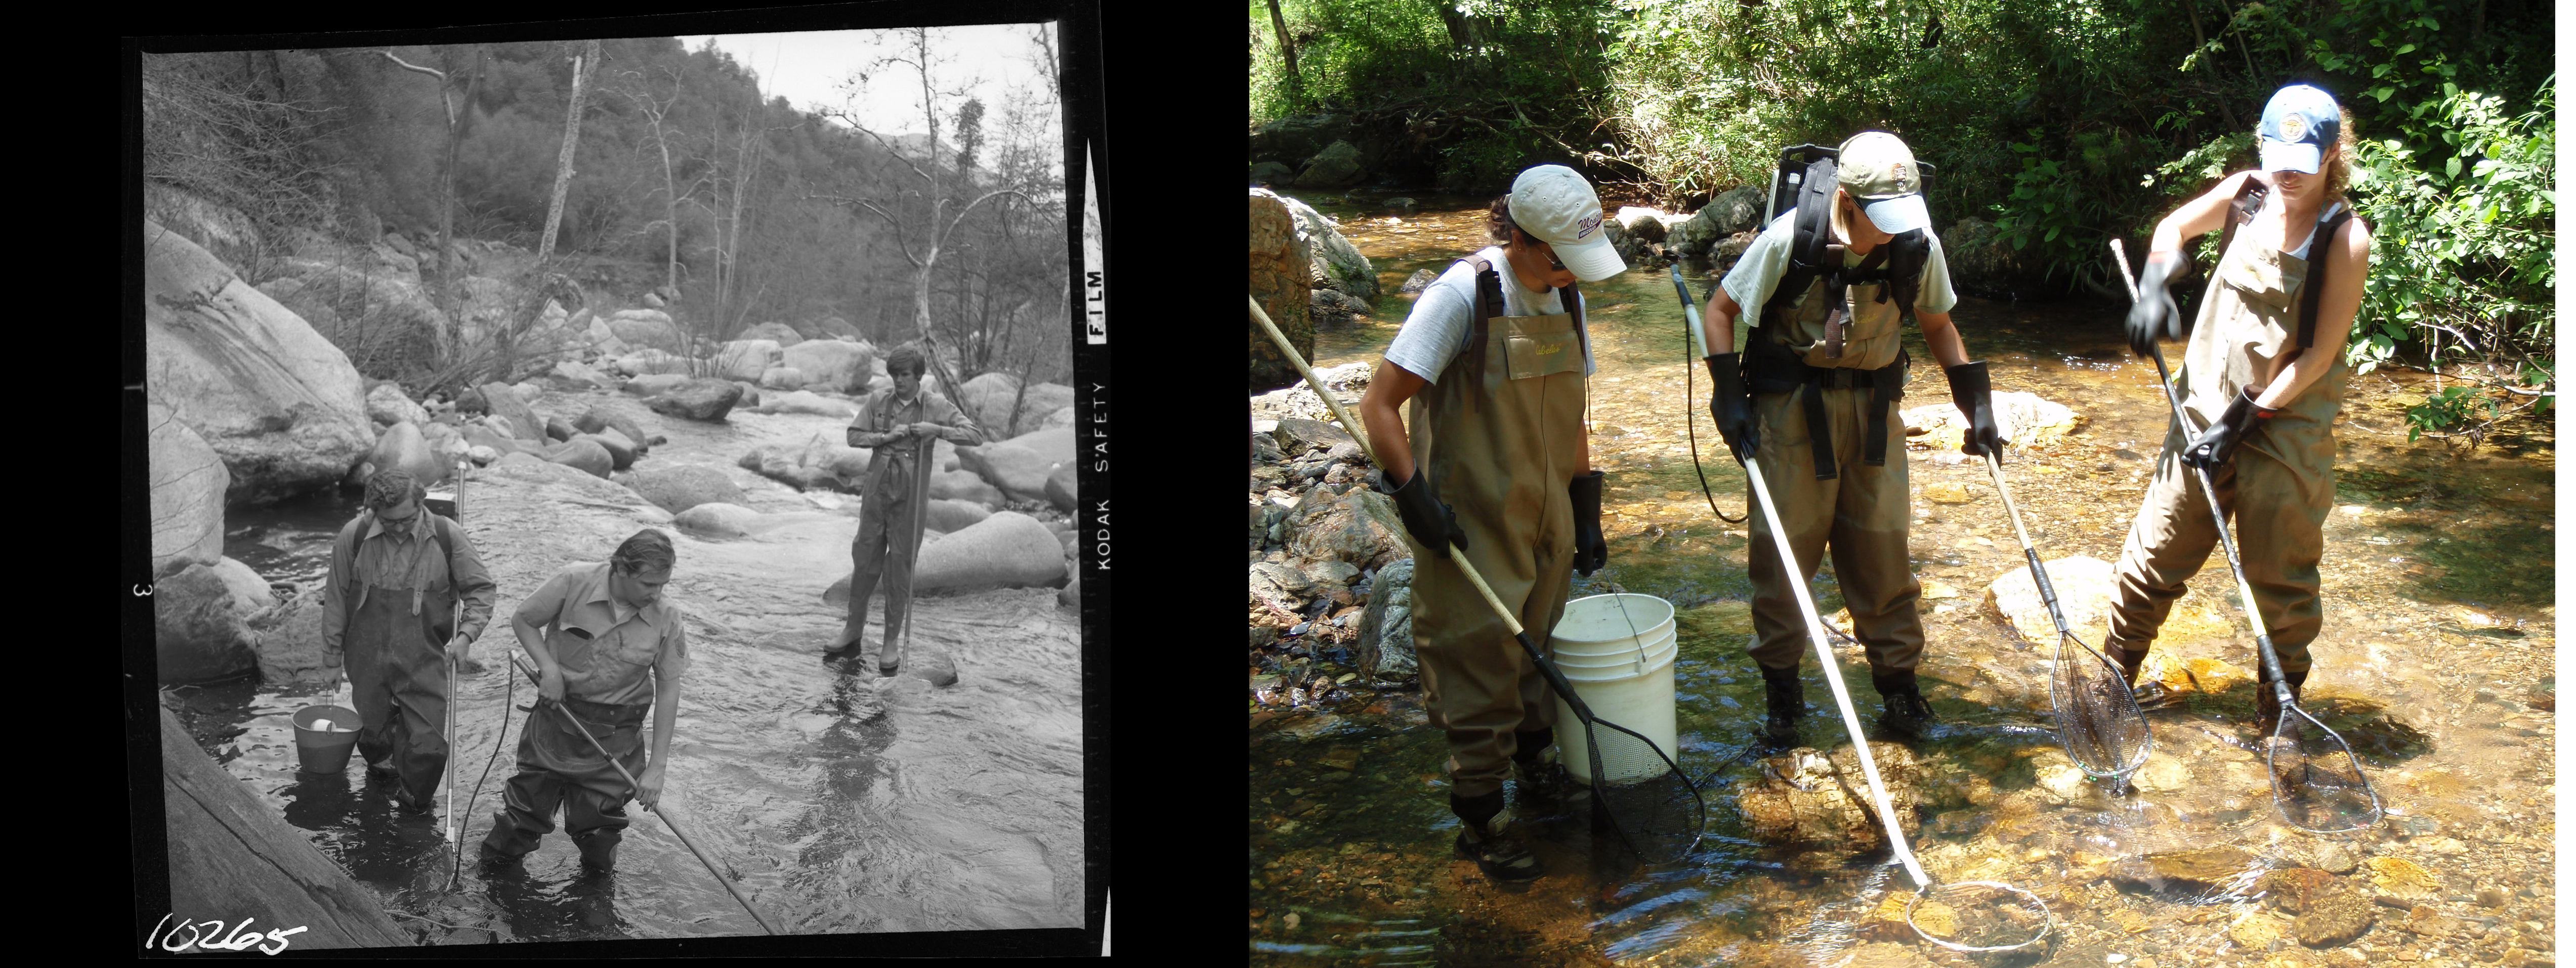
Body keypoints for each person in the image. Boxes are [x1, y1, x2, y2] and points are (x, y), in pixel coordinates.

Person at [1352, 163, 1619, 883]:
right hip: (1469, 522)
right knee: (1478, 662)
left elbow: (1571, 412)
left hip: (1547, 515)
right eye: (1563, 262)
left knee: (1539, 645)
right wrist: (1411, 495)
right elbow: (1379, 405)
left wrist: (1585, 503)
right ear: (1524, 239)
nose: (1573, 277)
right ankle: (1479, 818)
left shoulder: (1567, 298)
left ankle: (1534, 770)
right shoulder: (1461, 295)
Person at [1696, 131, 2000, 746]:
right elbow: (1719, 311)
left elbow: (1937, 324)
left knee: (1885, 555)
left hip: (1876, 418)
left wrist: (1978, 405)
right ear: (1848, 201)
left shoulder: (1918, 244)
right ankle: (1784, 697)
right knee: (1785, 561)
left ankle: (1901, 692)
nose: (1892, 232)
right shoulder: (1791, 241)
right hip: (1790, 416)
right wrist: (1728, 395)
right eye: (1879, 219)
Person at [2110, 83, 2372, 732]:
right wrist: (2153, 285)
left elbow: (2315, 357)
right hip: (2203, 412)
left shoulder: (2344, 239)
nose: (2287, 175)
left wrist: (2247, 421)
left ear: (2333, 153)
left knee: (2280, 584)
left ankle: (2275, 717)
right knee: (2150, 559)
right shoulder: (2246, 194)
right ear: (2261, 145)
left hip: (2286, 428)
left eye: (2302, 163)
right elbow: (2173, 228)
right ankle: (2112, 687)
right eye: (2277, 156)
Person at [481, 530, 690, 873]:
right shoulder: (572, 581)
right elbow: (524, 619)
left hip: (616, 738)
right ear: (620, 569)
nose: (657, 594)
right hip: (555, 720)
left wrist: (657, 767)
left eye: (663, 585)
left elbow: (669, 687)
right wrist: (548, 669)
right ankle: (491, 883)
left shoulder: (667, 615)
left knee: (599, 831)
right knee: (523, 817)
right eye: (649, 584)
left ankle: (594, 896)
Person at [321, 467, 497, 813]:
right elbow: (336, 599)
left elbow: (481, 590)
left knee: (428, 747)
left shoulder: (449, 537)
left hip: (424, 658)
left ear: (421, 504)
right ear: (373, 511)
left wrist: (465, 636)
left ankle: (414, 810)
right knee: (374, 737)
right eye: (389, 522)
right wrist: (330, 661)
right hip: (365, 658)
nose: (399, 528)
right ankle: (381, 782)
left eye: (407, 519)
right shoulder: (352, 536)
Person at [829, 344, 986, 675]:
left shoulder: (935, 405)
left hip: (911, 498)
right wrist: (885, 437)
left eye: (904, 375)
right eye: (894, 375)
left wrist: (937, 431)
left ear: (918, 376)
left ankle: (890, 643)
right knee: (865, 562)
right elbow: (853, 437)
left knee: (899, 569)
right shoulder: (877, 401)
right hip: (876, 492)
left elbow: (975, 436)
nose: (898, 381)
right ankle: (852, 630)